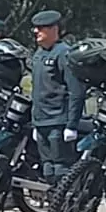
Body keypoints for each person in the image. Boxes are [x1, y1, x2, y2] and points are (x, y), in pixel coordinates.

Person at [29, 11, 85, 188]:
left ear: (54, 29)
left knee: (62, 169)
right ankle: (56, 208)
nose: (36, 31)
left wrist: (72, 124)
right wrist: (35, 123)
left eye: (41, 28)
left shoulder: (64, 54)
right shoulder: (38, 55)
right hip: (41, 122)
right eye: (35, 28)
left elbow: (76, 92)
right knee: (48, 170)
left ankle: (68, 209)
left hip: (58, 122)